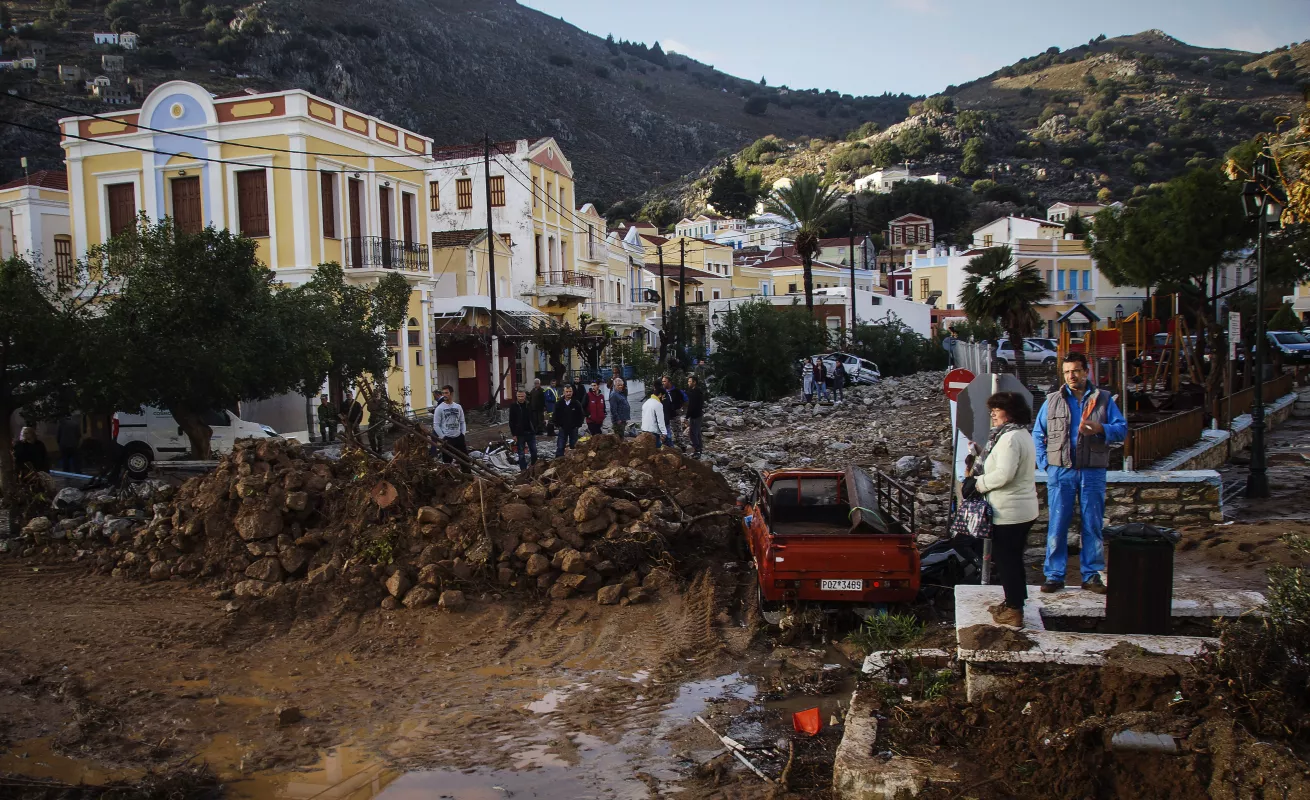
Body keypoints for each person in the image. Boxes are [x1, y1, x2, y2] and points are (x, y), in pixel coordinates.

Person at [1033, 351, 1128, 595]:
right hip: (1061, 471)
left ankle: (1092, 575)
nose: (1071, 376)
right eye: (1066, 372)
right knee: (1057, 524)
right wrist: (1045, 463)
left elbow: (1122, 430)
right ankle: (1054, 575)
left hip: (1092, 471)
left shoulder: (1104, 399)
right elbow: (1037, 434)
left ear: (1086, 371)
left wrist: (1101, 428)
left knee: (1092, 524)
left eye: (1075, 370)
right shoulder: (1052, 400)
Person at [962, 392, 1039, 628]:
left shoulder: (1010, 438)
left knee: (1007, 561)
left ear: (1011, 412)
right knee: (1012, 559)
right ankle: (1014, 601)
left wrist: (977, 484)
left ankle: (1014, 611)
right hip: (1019, 509)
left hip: (1010, 512)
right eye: (992, 408)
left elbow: (1004, 474)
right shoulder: (1016, 435)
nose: (993, 413)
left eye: (998, 408)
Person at [433, 385, 469, 472]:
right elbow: (436, 425)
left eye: (446, 393)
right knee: (447, 462)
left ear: (451, 394)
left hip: (458, 437)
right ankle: (448, 480)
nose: (444, 395)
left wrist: (462, 434)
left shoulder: (458, 407)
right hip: (447, 439)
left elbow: (462, 421)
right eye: (443, 393)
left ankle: (468, 478)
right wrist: (443, 437)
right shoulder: (439, 408)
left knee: (465, 460)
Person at [508, 388, 538, 472]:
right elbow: (511, 421)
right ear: (516, 397)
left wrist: (535, 428)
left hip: (530, 432)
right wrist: (514, 434)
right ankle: (523, 470)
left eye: (522, 396)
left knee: (534, 451)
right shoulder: (513, 406)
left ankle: (533, 466)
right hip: (520, 434)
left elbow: (534, 417)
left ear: (525, 396)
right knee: (521, 454)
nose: (520, 398)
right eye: (519, 396)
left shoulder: (529, 405)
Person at [552, 385, 584, 456]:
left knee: (574, 446)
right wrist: (558, 425)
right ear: (563, 392)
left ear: (572, 392)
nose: (568, 393)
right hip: (562, 428)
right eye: (567, 391)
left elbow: (581, 415)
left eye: (570, 391)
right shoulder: (559, 403)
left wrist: (578, 425)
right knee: (560, 446)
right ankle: (558, 461)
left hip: (573, 428)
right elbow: (555, 415)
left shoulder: (576, 403)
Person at [660, 375, 683, 449]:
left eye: (664, 381)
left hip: (674, 415)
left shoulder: (676, 391)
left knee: (678, 432)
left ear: (669, 382)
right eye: (662, 381)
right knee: (666, 432)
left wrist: (677, 409)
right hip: (665, 416)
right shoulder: (662, 392)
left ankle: (681, 446)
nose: (663, 383)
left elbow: (683, 401)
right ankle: (667, 446)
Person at [686, 374, 705, 458]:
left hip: (695, 416)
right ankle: (700, 449)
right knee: (697, 433)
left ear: (694, 382)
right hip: (698, 415)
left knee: (693, 434)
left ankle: (697, 451)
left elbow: (691, 406)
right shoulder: (697, 391)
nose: (688, 383)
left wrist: (686, 416)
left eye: (690, 382)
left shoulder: (695, 393)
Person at [366, 387, 387, 453]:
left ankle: (380, 450)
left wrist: (374, 408)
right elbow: (369, 408)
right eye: (375, 394)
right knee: (370, 435)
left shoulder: (383, 401)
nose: (377, 395)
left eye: (378, 394)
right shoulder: (371, 401)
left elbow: (382, 409)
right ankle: (373, 450)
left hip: (380, 421)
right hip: (372, 421)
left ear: (380, 394)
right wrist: (373, 406)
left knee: (379, 436)